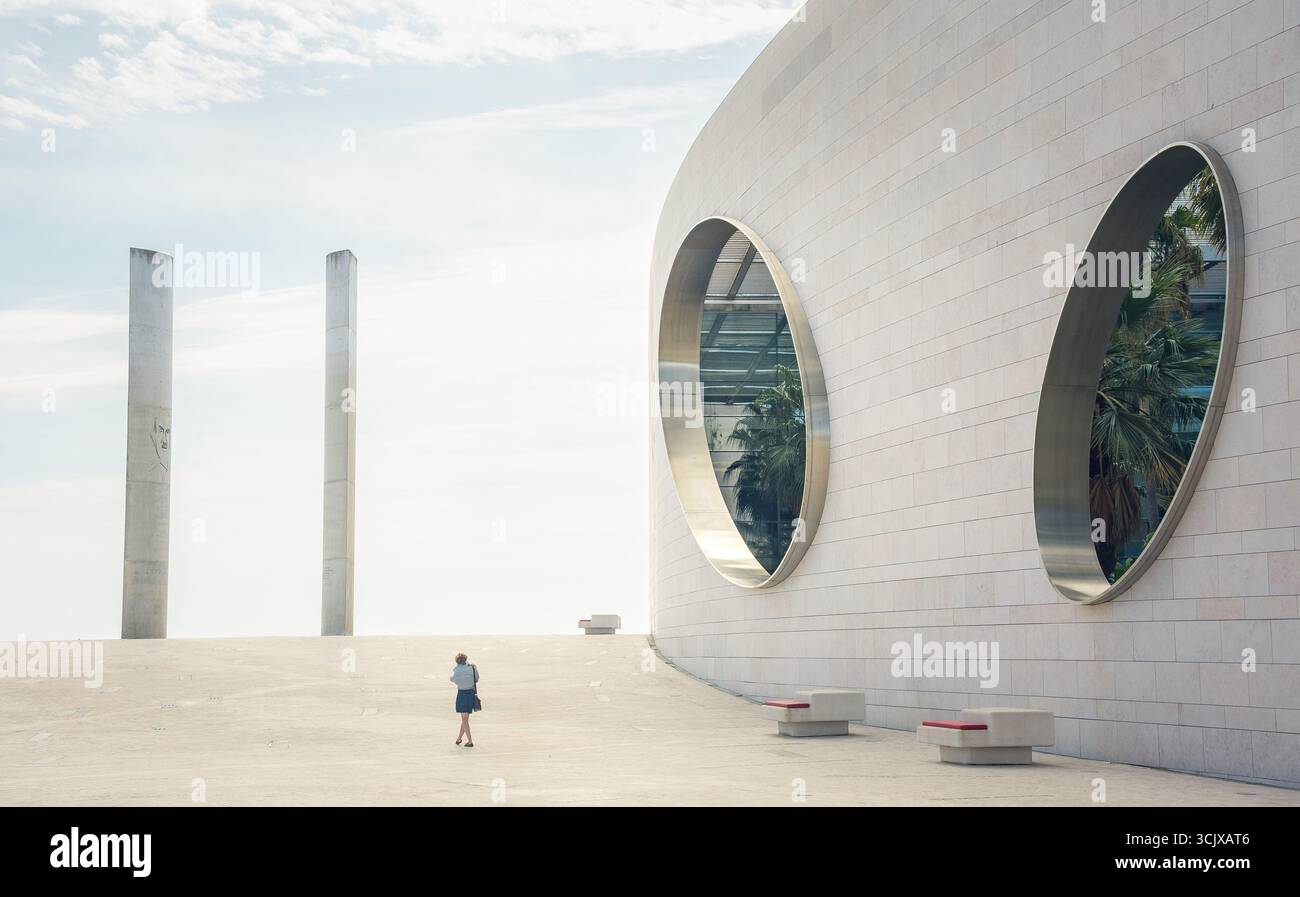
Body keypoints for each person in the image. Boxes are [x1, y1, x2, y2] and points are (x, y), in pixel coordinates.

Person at [449, 653, 479, 747]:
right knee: (465, 720)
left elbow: (452, 679)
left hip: (462, 694)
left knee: (465, 720)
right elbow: (476, 679)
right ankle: (459, 739)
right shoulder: (472, 668)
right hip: (470, 694)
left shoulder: (457, 671)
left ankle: (470, 741)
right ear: (466, 659)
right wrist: (475, 668)